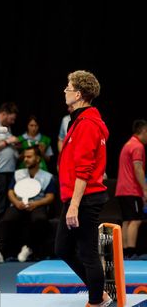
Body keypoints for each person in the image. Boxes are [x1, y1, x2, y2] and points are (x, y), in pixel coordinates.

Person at [54, 71, 112, 307]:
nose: (64, 91)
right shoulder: (81, 121)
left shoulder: (87, 123)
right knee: (63, 248)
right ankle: (100, 294)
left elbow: (84, 169)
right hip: (77, 196)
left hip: (84, 198)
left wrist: (74, 205)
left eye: (68, 88)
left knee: (87, 253)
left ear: (78, 94)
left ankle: (97, 300)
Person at [0, 145, 56, 262]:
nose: (26, 159)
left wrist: (36, 203)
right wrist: (16, 202)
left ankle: (29, 248)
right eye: (25, 157)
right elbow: (10, 192)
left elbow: (50, 197)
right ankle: (1, 252)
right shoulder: (18, 174)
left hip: (37, 204)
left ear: (38, 159)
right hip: (19, 203)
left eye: (29, 157)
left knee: (39, 219)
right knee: (7, 219)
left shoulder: (47, 176)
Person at [115, 119, 147, 259]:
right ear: (143, 131)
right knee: (135, 220)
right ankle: (131, 252)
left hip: (122, 189)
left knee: (127, 221)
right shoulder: (137, 146)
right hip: (131, 189)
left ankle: (125, 253)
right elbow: (138, 169)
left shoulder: (128, 144)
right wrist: (145, 189)